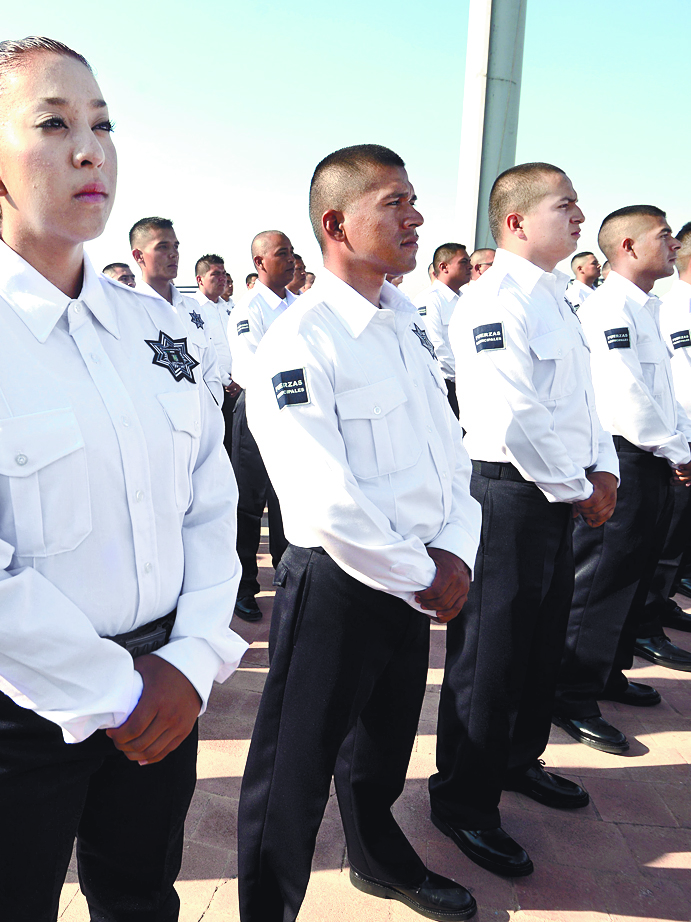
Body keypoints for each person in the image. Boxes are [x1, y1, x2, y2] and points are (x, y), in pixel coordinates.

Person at [0, 36, 246, 922]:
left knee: (138, 901)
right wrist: (120, 691)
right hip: (14, 710)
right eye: (52, 125)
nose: (90, 149)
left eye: (101, 123)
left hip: (163, 687)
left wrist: (191, 661)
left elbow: (209, 503)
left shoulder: (153, 330)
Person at [238, 144, 480, 922]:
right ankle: (267, 909)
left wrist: (455, 551)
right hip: (343, 581)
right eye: (394, 204)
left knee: (380, 750)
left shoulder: (403, 325)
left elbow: (449, 452)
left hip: (416, 575)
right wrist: (424, 568)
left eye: (414, 202)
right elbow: (321, 492)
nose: (415, 218)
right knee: (293, 773)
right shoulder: (301, 338)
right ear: (336, 222)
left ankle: (378, 860)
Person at [432, 162, 618, 877]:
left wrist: (603, 470)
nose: (578, 217)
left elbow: (580, 402)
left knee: (538, 646)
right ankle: (462, 801)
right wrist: (579, 485)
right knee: (490, 657)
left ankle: (516, 760)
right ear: (514, 221)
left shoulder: (560, 300)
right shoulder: (489, 299)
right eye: (564, 205)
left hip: (559, 493)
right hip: (507, 495)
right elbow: (512, 414)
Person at [553, 206, 691, 755]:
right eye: (663, 236)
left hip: (655, 456)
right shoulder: (611, 308)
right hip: (626, 457)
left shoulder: (646, 306)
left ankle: (606, 672)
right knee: (601, 581)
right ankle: (571, 694)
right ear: (629, 246)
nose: (673, 244)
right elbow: (627, 394)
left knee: (633, 574)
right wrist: (679, 446)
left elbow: (668, 391)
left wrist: (676, 441)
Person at [226, 230, 296, 622]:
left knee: (288, 501)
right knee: (249, 507)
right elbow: (251, 368)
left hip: (296, 415)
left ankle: (288, 579)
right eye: (281, 254)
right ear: (259, 262)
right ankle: (245, 587)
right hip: (258, 413)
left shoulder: (299, 305)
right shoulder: (249, 309)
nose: (290, 260)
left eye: (292, 253)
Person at [130, 216, 223, 404]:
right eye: (163, 247)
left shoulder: (192, 308)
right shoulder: (128, 310)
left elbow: (210, 369)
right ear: (139, 256)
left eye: (176, 246)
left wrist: (209, 410)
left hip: (203, 421)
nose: (173, 254)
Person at [654, 221, 691, 629]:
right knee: (665, 538)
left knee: (677, 537)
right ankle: (649, 618)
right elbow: (680, 382)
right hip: (679, 439)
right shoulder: (673, 308)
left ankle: (659, 605)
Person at [414, 242, 472, 416]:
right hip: (444, 385)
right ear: (443, 267)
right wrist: (464, 376)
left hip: (464, 384)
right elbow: (434, 346)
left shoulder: (465, 300)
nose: (470, 266)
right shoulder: (430, 300)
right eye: (463, 262)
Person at [193, 254, 239, 453]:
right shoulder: (192, 309)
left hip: (238, 385)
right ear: (200, 279)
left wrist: (239, 377)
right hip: (213, 388)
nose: (222, 279)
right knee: (217, 445)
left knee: (237, 443)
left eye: (224, 274)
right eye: (215, 274)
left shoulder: (231, 308)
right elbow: (202, 349)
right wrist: (226, 380)